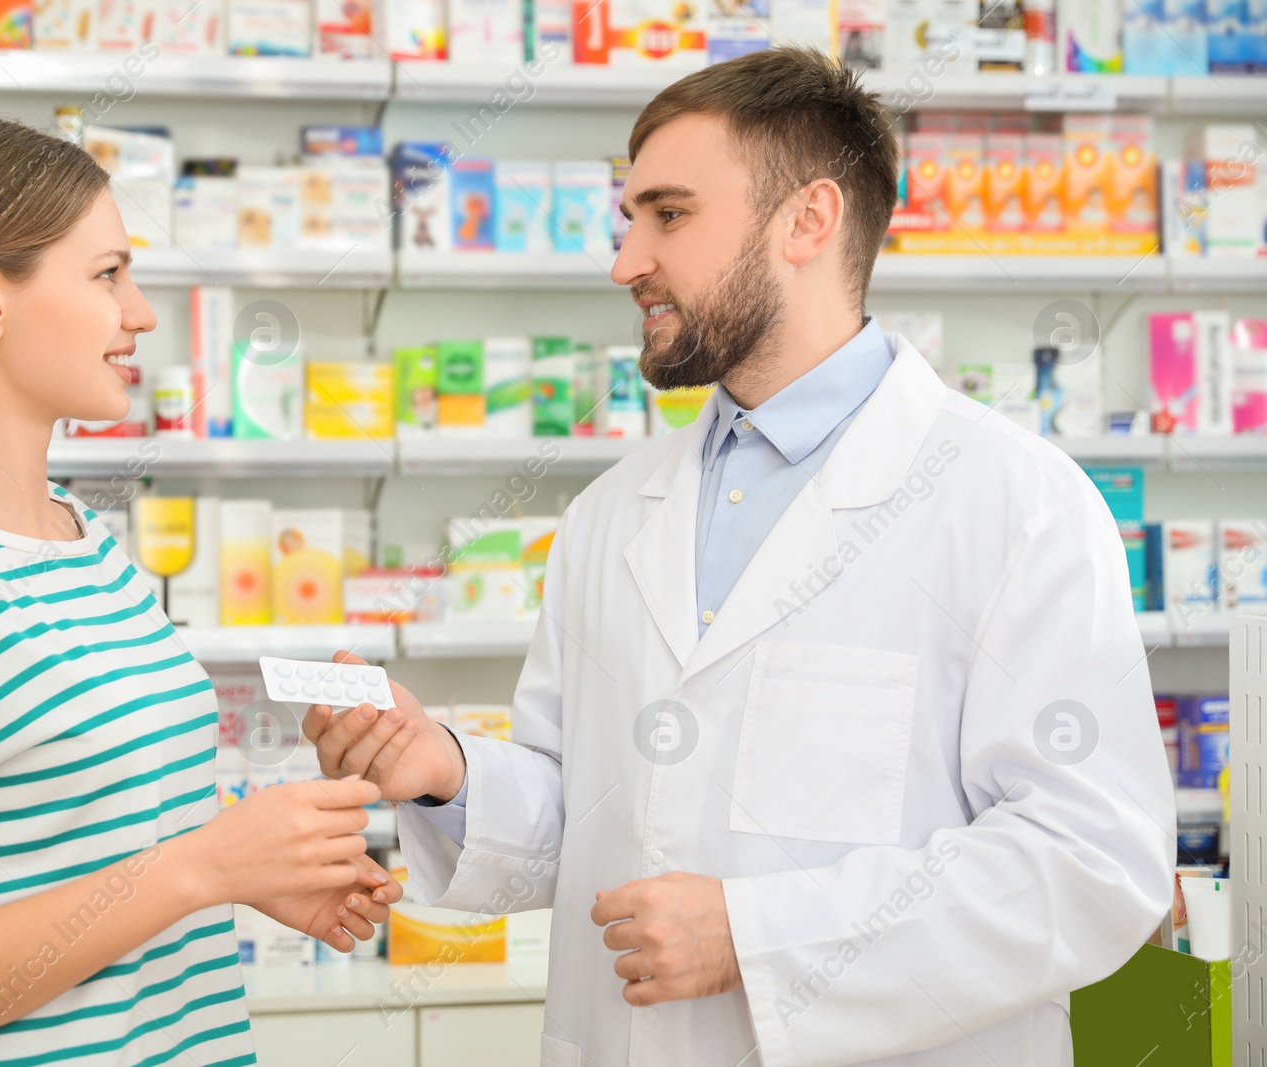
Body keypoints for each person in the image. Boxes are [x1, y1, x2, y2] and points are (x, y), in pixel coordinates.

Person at [306, 48, 1174, 1067]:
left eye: (667, 215)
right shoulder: (610, 514)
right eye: (628, 218)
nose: (625, 259)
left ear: (808, 221)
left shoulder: (1012, 501)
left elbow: (1091, 859)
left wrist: (759, 937)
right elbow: (592, 808)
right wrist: (444, 772)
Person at [0, 111, 393, 1065]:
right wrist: (198, 869)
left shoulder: (83, 539)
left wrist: (250, 875)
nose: (140, 312)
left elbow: (107, 853)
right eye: (108, 275)